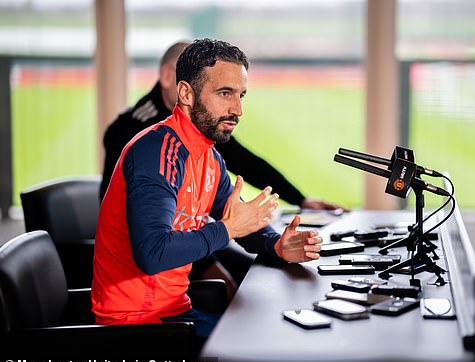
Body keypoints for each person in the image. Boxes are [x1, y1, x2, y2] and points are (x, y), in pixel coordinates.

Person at [92, 38, 323, 339]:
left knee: (270, 334)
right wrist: (227, 230)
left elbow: (240, 218)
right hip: (134, 326)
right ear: (186, 93)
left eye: (241, 95)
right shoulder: (156, 152)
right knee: (264, 345)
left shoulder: (209, 157)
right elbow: (152, 254)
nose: (238, 109)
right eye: (225, 93)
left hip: (175, 311)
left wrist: (277, 244)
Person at [100, 41, 344, 211]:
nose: (237, 110)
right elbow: (154, 234)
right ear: (170, 78)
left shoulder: (202, 124)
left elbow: (243, 161)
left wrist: (299, 200)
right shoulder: (135, 133)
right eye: (224, 92)